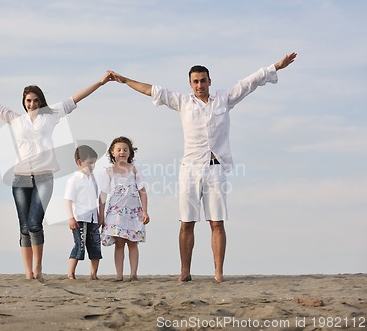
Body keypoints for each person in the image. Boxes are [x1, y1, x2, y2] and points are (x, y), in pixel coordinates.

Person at [109, 53, 297, 283]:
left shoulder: (223, 99)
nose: (199, 85)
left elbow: (250, 82)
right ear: (190, 84)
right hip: (189, 168)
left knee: (217, 222)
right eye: (195, 81)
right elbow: (152, 90)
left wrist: (276, 66)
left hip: (216, 167)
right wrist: (125, 80)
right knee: (187, 222)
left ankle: (218, 273)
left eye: (203, 80)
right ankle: (185, 272)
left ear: (210, 81)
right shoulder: (182, 102)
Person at [0, 72, 113, 281]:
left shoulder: (51, 115)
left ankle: (38, 267)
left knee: (35, 223)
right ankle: (28, 272)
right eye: (28, 101)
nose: (32, 104)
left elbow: (75, 98)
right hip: (20, 178)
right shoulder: (15, 119)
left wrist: (100, 83)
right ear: (24, 102)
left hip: (44, 177)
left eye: (36, 100)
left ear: (41, 101)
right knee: (24, 226)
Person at [99, 136, 150, 281]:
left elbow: (142, 191)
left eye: (125, 149)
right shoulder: (108, 171)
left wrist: (145, 211)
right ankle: (119, 275)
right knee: (119, 243)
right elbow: (102, 195)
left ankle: (133, 274)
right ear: (112, 152)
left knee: (133, 243)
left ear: (130, 152)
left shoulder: (134, 169)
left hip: (134, 212)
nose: (122, 152)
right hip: (116, 213)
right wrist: (101, 215)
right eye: (119, 149)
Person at [65, 145, 102, 280]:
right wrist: (71, 218)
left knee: (95, 246)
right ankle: (71, 273)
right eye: (89, 163)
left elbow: (95, 199)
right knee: (79, 245)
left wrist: (98, 215)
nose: (92, 166)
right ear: (80, 162)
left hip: (93, 219)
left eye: (94, 163)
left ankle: (94, 274)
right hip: (79, 218)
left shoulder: (93, 179)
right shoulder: (73, 180)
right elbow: (68, 200)